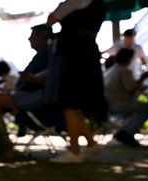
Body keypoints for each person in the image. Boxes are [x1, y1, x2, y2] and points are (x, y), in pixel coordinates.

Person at [45, 0, 108, 163]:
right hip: (88, 51)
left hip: (73, 53)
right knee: (74, 103)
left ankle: (75, 151)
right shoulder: (99, 3)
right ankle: (91, 143)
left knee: (68, 102)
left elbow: (52, 18)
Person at [0, 24, 56, 159]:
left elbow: (48, 80)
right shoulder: (45, 55)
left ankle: (2, 146)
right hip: (30, 93)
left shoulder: (47, 55)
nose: (29, 39)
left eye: (32, 36)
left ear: (42, 37)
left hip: (37, 95)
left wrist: (32, 80)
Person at [104, 48, 148, 147]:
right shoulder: (123, 70)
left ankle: (124, 132)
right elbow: (131, 89)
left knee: (140, 109)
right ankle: (126, 133)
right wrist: (143, 78)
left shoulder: (112, 69)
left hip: (110, 103)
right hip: (120, 103)